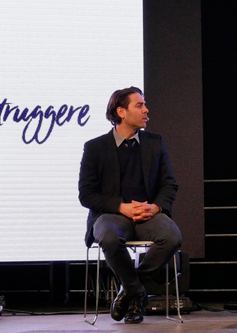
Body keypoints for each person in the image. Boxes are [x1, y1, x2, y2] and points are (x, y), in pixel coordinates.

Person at [78, 86, 182, 324]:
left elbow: (169, 184)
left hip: (148, 214)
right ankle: (137, 295)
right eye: (139, 105)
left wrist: (155, 207)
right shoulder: (95, 147)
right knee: (109, 237)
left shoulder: (155, 143)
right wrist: (121, 207)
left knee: (172, 237)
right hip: (111, 215)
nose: (146, 110)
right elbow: (86, 195)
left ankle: (129, 291)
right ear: (121, 112)